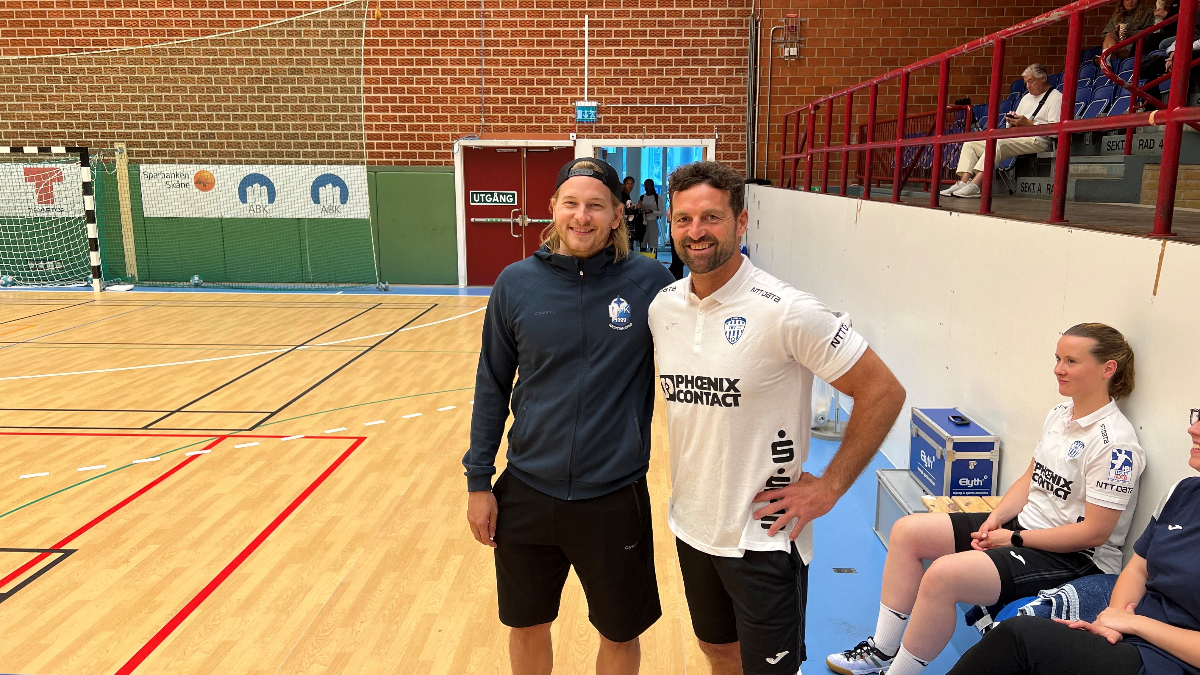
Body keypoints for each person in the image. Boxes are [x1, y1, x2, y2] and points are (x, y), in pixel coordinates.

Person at [648, 160, 907, 675]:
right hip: (692, 526)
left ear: (741, 222)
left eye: (711, 217)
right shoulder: (664, 307)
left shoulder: (787, 310)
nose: (696, 232)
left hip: (764, 538)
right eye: (683, 219)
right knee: (717, 652)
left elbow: (883, 391)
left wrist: (830, 486)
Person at [827, 323, 1146, 675]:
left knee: (943, 576)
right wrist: (995, 519)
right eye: (1057, 358)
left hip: (1075, 557)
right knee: (907, 531)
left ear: (1107, 369)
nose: (1059, 369)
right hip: (1025, 529)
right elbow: (1030, 478)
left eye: (1071, 361)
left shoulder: (1115, 444)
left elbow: (1095, 533)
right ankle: (881, 651)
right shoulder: (1060, 414)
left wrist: (1014, 538)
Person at [464, 157, 675, 675]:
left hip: (614, 496)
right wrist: (478, 482)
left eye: (596, 206)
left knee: (620, 633)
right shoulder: (515, 284)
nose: (582, 217)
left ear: (618, 214)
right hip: (527, 491)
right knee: (527, 625)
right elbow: (491, 385)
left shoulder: (651, 282)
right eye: (572, 204)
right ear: (553, 208)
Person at [945, 410, 1200, 675]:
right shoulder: (1182, 493)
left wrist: (1133, 623)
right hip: (1133, 637)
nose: (1193, 429)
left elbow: (1093, 533)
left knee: (1018, 637)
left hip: (1171, 661)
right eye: (1198, 416)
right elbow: (1137, 569)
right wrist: (1111, 621)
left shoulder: (1115, 444)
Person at [942, 64, 1062, 198]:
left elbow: (1055, 131)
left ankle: (975, 185)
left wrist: (1029, 124)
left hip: (1038, 140)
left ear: (1043, 79)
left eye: (1031, 81)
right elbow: (1016, 123)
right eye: (1026, 82)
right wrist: (1012, 121)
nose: (1028, 86)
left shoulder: (1056, 97)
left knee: (996, 143)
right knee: (970, 144)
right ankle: (963, 182)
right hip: (1018, 136)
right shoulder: (1026, 98)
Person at [637, 179, 663, 254]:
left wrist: (652, 212)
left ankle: (653, 259)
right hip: (643, 223)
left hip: (653, 222)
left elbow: (661, 213)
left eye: (648, 185)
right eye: (645, 185)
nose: (646, 187)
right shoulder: (642, 197)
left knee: (653, 244)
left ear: (652, 186)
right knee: (643, 244)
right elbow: (638, 209)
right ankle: (643, 260)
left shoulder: (657, 197)